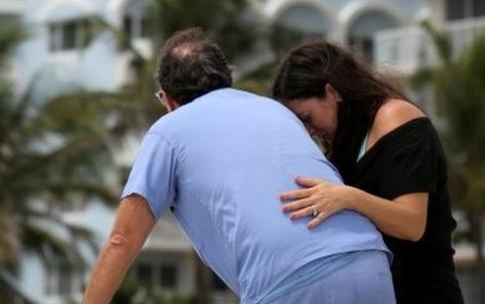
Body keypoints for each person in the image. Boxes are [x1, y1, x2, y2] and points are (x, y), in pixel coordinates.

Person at [82, 28, 394, 304]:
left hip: (289, 279)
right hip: (369, 262)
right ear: (226, 78)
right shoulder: (277, 111)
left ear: (168, 99)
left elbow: (121, 240)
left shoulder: (169, 130)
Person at [271, 40, 464, 304]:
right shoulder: (343, 145)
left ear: (332, 92)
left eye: (306, 117)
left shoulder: (396, 118)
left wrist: (348, 198)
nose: (307, 131)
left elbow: (412, 224)